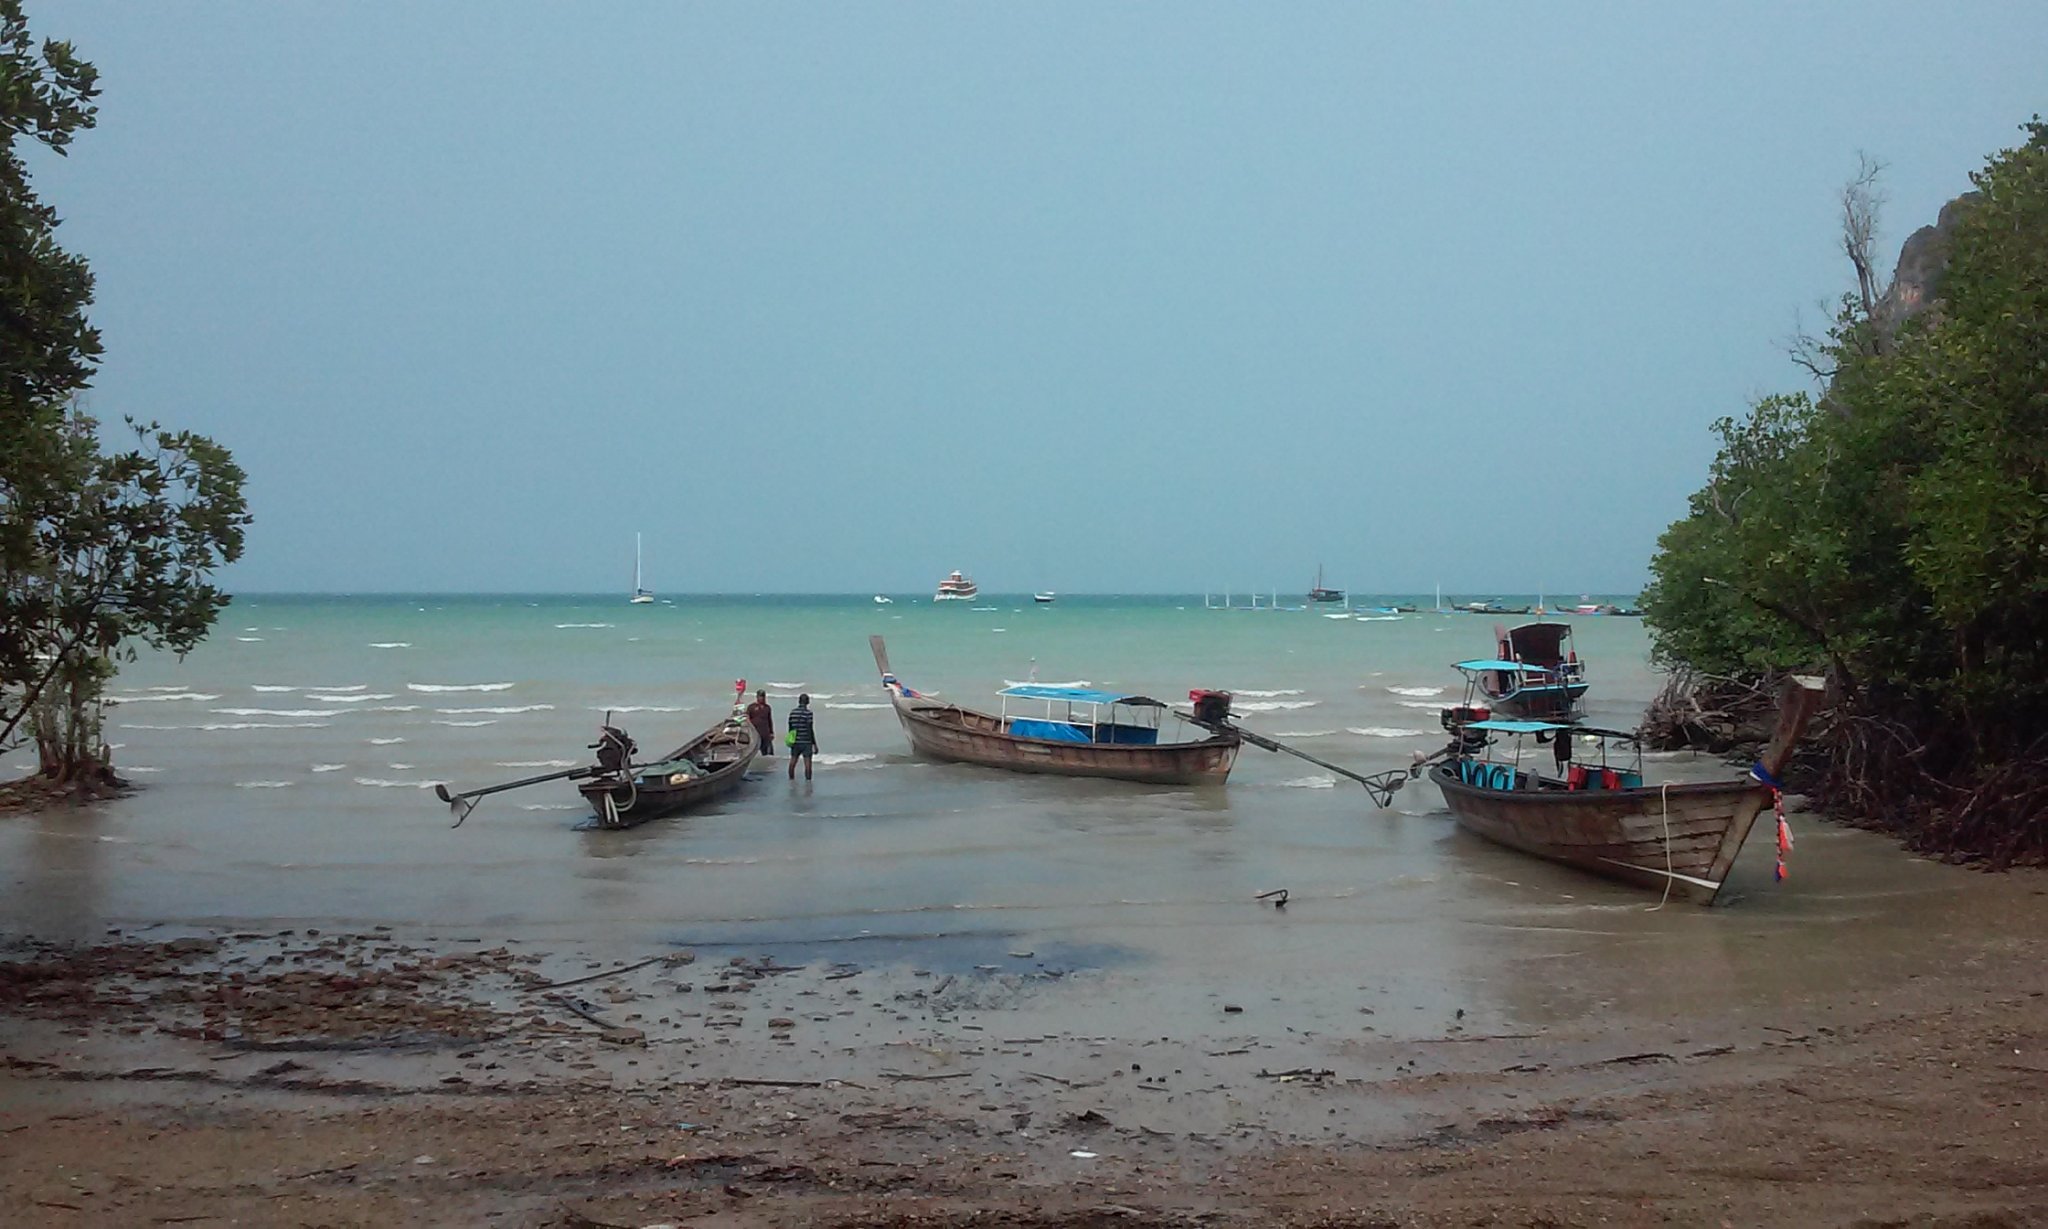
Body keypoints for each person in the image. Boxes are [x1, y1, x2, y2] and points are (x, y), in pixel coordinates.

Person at [786, 693, 817, 780]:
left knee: (793, 761)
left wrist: (791, 739)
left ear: (799, 701)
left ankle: (791, 779)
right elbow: (810, 729)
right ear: (807, 702)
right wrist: (814, 743)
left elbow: (790, 727)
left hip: (795, 740)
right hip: (806, 741)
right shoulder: (808, 713)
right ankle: (808, 781)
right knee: (807, 763)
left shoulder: (793, 713)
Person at [745, 689, 775, 757]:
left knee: (769, 754)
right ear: (757, 697)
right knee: (751, 753)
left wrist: (771, 732)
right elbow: (747, 719)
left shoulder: (767, 708)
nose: (762, 698)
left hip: (765, 734)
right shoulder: (751, 707)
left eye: (763, 696)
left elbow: (769, 720)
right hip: (754, 733)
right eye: (760, 696)